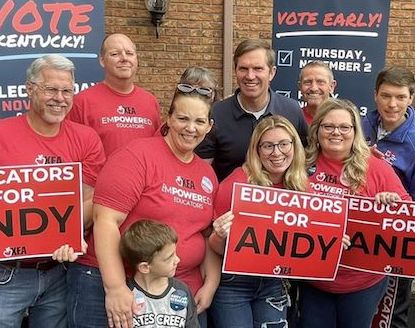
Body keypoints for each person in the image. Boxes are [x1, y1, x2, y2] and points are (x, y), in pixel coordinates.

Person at [67, 85, 220, 328]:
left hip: (177, 293)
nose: (191, 128)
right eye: (182, 118)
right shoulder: (137, 155)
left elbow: (204, 233)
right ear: (168, 119)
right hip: (115, 282)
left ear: (209, 126)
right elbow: (105, 220)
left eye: (200, 121)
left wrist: (210, 284)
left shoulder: (207, 174)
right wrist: (115, 287)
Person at [0, 54, 105, 327]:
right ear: (30, 89)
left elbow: (91, 198)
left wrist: (67, 232)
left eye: (67, 90)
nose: (60, 98)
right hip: (6, 273)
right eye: (51, 89)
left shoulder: (86, 139)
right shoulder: (2, 134)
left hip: (60, 270)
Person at [300, 98, 411, 328]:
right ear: (317, 129)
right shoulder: (300, 165)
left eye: (344, 127)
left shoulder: (377, 167)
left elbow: (406, 214)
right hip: (314, 281)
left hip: (362, 283)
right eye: (328, 126)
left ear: (355, 131)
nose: (336, 133)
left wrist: (390, 205)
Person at [208, 115, 308, 327]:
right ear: (257, 150)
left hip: (274, 282)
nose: (277, 152)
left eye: (283, 144)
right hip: (234, 283)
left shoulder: (300, 186)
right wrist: (219, 235)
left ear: (294, 145)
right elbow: (215, 247)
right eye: (268, 146)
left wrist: (333, 240)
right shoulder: (237, 183)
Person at [196, 38, 308, 182]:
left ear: (272, 72)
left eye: (258, 69)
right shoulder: (216, 113)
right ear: (235, 71)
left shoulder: (292, 111)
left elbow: (304, 161)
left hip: (280, 201)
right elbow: (202, 170)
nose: (250, 76)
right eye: (243, 69)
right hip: (229, 200)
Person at [362, 67, 415, 328]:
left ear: (410, 98)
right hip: (360, 233)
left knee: (391, 312)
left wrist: (395, 200)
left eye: (400, 97)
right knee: (362, 307)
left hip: (396, 237)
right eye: (385, 96)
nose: (392, 104)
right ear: (375, 95)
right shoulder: (361, 126)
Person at [68, 33, 161, 157]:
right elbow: (71, 150)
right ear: (102, 60)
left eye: (129, 53)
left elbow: (157, 148)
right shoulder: (82, 102)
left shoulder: (150, 102)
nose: (124, 58)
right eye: (115, 54)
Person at [120, 220, 200, 328]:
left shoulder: (181, 291)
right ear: (144, 267)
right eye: (169, 258)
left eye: (175, 253)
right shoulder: (126, 296)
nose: (177, 260)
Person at [298, 60, 337, 125]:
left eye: (320, 82)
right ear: (300, 87)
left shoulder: (343, 119)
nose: (314, 88)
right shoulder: (293, 118)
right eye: (308, 82)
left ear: (331, 86)